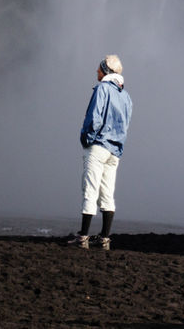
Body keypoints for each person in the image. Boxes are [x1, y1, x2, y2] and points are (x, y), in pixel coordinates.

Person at [70, 54, 132, 250]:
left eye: (98, 68)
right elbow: (126, 125)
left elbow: (94, 118)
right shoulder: (126, 96)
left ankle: (83, 237)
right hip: (115, 150)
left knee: (90, 188)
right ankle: (105, 238)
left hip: (98, 146)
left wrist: (86, 138)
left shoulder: (103, 89)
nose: (96, 71)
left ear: (106, 70)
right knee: (107, 193)